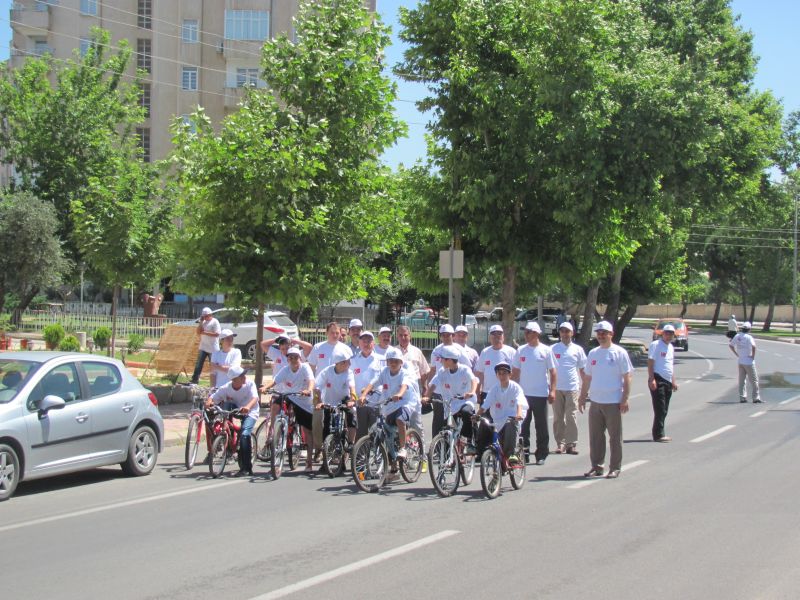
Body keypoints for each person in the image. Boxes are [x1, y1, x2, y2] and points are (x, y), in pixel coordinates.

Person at [579, 321, 633, 479]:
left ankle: (615, 467)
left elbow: (627, 376)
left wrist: (625, 398)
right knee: (595, 437)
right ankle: (597, 466)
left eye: (604, 333)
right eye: (599, 333)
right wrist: (582, 397)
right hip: (596, 400)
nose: (601, 335)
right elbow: (587, 377)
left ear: (611, 334)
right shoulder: (593, 353)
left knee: (615, 437)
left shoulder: (619, 352)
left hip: (613, 400)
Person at [259, 347, 315, 469]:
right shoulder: (286, 369)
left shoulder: (305, 367)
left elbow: (311, 381)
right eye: (290, 357)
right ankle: (275, 430)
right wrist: (265, 388)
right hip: (289, 396)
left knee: (307, 430)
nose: (293, 360)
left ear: (299, 358)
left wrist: (308, 390)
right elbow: (274, 381)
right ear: (288, 359)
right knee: (275, 404)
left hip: (302, 400)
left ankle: (309, 461)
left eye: (295, 357)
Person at [360, 347, 419, 463]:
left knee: (400, 420)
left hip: (405, 403)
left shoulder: (404, 373)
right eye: (390, 361)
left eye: (396, 361)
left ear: (401, 362)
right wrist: (363, 395)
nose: (393, 363)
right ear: (387, 362)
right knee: (388, 436)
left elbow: (404, 386)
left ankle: (403, 448)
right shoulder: (384, 372)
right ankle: (393, 467)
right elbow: (373, 383)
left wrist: (399, 394)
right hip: (389, 405)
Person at [512, 322, 557, 465]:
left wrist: (553, 390)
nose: (526, 335)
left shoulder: (546, 350)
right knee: (523, 425)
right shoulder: (521, 350)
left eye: (529, 332)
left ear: (536, 334)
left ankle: (542, 453)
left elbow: (553, 372)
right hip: (524, 395)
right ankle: (524, 453)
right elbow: (515, 372)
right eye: (525, 332)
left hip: (541, 394)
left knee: (541, 425)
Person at [308, 322, 351, 460]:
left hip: (339, 391)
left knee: (344, 419)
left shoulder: (345, 349)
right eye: (332, 332)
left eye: (337, 332)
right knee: (317, 422)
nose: (335, 335)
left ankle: (344, 448)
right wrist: (316, 399)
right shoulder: (318, 347)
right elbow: (312, 370)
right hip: (321, 392)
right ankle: (319, 448)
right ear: (326, 332)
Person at [205, 366, 259, 476]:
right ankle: (227, 438)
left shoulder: (250, 384)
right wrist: (209, 402)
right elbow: (214, 397)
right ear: (234, 380)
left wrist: (248, 407)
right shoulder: (226, 388)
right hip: (235, 410)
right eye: (241, 376)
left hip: (250, 412)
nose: (245, 377)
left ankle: (247, 468)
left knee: (244, 435)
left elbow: (255, 398)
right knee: (225, 404)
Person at [425, 345, 479, 452]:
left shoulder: (464, 370)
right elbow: (433, 385)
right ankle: (449, 457)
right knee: (447, 429)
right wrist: (426, 396)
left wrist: (472, 392)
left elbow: (474, 381)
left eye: (443, 359)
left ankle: (467, 440)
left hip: (465, 401)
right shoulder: (442, 371)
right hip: (451, 404)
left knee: (466, 412)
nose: (440, 361)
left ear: (449, 360)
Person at [314, 346, 358, 471]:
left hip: (344, 401)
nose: (349, 364)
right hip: (329, 403)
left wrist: (352, 400)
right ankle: (325, 462)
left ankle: (350, 443)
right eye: (347, 362)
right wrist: (318, 401)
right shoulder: (327, 371)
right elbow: (317, 387)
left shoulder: (349, 373)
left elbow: (352, 388)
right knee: (326, 429)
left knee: (352, 415)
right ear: (340, 363)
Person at [476, 361, 528, 464]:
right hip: (498, 417)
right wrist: (477, 415)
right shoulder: (494, 388)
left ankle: (511, 454)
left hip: (514, 416)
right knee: (487, 427)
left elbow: (519, 402)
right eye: (499, 373)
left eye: (504, 373)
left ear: (509, 374)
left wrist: (518, 414)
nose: (502, 376)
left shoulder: (515, 387)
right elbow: (486, 404)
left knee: (510, 425)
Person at [427, 324, 472, 437]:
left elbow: (468, 369)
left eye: (449, 335)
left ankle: (457, 444)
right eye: (443, 335)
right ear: (440, 336)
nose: (446, 337)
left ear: (453, 335)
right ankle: (437, 450)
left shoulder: (459, 350)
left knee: (454, 421)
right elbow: (433, 370)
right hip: (439, 390)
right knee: (439, 420)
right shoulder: (437, 350)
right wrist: (427, 391)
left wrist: (470, 389)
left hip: (455, 391)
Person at [550, 322, 586, 455]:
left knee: (571, 415)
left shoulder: (577, 349)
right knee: (558, 417)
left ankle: (571, 444)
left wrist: (585, 389)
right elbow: (548, 369)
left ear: (572, 333)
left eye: (567, 331)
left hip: (572, 387)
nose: (565, 334)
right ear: (559, 333)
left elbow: (583, 369)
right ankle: (561, 443)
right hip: (557, 388)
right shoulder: (553, 349)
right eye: (562, 331)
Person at [648, 323, 679, 441]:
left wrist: (673, 381)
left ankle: (659, 432)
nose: (669, 336)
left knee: (665, 408)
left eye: (671, 334)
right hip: (657, 378)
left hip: (668, 380)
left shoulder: (671, 347)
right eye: (667, 333)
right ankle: (659, 434)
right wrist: (652, 379)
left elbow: (670, 366)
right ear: (662, 334)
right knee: (660, 408)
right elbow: (650, 362)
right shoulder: (656, 345)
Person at [351, 331, 383, 438]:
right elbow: (350, 380)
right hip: (360, 403)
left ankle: (377, 454)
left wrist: (365, 393)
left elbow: (377, 379)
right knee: (360, 434)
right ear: (359, 343)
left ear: (373, 343)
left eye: (369, 341)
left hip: (376, 402)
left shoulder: (380, 360)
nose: (366, 344)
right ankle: (361, 455)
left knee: (375, 433)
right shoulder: (353, 361)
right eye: (363, 341)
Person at [475, 324, 516, 401]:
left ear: (503, 337)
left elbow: (515, 373)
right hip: (487, 392)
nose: (497, 337)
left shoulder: (511, 352)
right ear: (490, 338)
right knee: (485, 413)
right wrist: (477, 391)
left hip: (506, 392)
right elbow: (480, 373)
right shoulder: (485, 352)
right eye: (494, 335)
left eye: (499, 335)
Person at [729, 321, 761, 403]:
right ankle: (755, 397)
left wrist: (736, 354)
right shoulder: (749, 337)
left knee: (742, 380)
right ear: (749, 329)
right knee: (754, 380)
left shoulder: (737, 336)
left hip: (741, 361)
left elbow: (731, 345)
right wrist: (753, 356)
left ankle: (742, 397)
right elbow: (754, 346)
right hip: (749, 362)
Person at [191, 307, 220, 384]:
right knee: (198, 364)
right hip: (203, 346)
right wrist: (201, 322)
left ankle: (216, 381)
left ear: (210, 315)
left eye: (206, 316)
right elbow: (198, 332)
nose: (205, 317)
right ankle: (195, 380)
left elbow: (217, 334)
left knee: (213, 365)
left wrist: (205, 333)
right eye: (204, 316)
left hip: (213, 348)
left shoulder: (215, 322)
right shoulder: (203, 322)